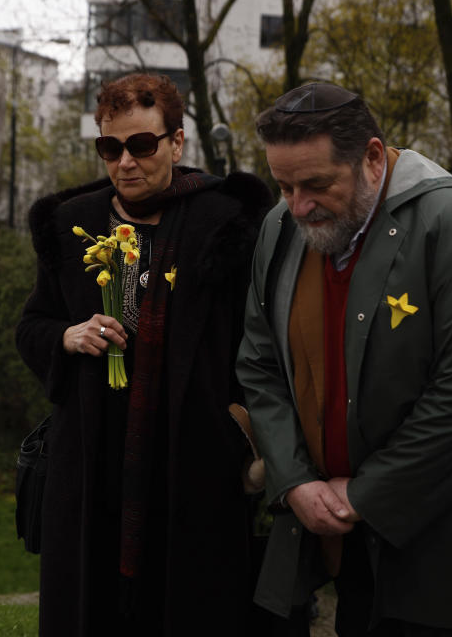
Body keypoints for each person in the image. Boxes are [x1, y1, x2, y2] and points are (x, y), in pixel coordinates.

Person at [237, 82, 452, 636]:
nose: (298, 206)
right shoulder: (279, 228)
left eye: (316, 184)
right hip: (344, 537)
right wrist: (295, 480)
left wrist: (363, 493)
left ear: (373, 158)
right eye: (283, 186)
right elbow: (259, 364)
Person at [15, 72, 273, 635]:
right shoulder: (72, 225)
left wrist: (243, 436)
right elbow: (32, 325)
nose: (125, 161)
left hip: (191, 461)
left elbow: (260, 346)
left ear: (177, 144)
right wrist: (69, 335)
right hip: (92, 463)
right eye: (111, 146)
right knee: (97, 607)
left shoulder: (225, 224)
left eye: (142, 145)